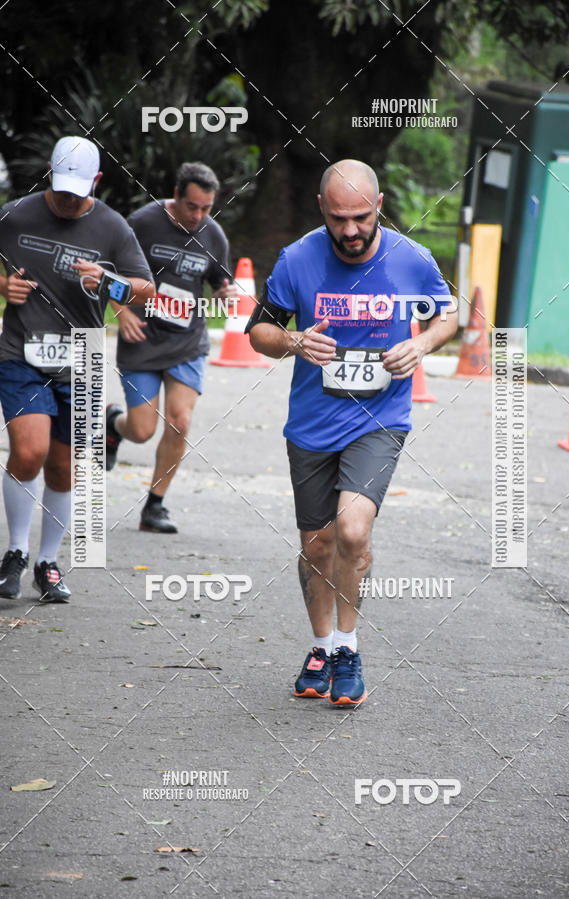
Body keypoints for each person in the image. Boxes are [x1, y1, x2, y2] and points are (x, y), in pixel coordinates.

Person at [247, 159, 457, 706]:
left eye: (361, 217)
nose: (351, 230)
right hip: (312, 424)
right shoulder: (297, 260)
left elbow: (448, 315)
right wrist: (294, 343)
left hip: (380, 420)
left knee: (353, 531)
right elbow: (258, 332)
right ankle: (320, 648)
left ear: (379, 205)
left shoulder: (411, 260)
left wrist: (422, 344)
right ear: (323, 209)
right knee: (317, 545)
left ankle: (348, 647)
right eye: (339, 218)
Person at [0, 136, 155, 602]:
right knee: (30, 451)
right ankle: (15, 552)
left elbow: (145, 288)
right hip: (21, 351)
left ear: (97, 182)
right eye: (62, 189)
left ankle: (48, 563)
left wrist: (110, 284)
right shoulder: (16, 214)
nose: (69, 201)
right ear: (49, 175)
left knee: (64, 466)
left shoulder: (112, 227)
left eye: (79, 191)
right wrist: (5, 285)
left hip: (82, 357)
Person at [105, 162, 235, 534]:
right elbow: (107, 272)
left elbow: (219, 283)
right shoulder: (142, 223)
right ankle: (115, 423)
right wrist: (121, 313)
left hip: (186, 340)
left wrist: (225, 294)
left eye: (206, 208)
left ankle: (155, 505)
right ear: (176, 196)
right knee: (143, 430)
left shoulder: (213, 234)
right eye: (192, 206)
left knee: (180, 421)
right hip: (142, 337)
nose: (198, 216)